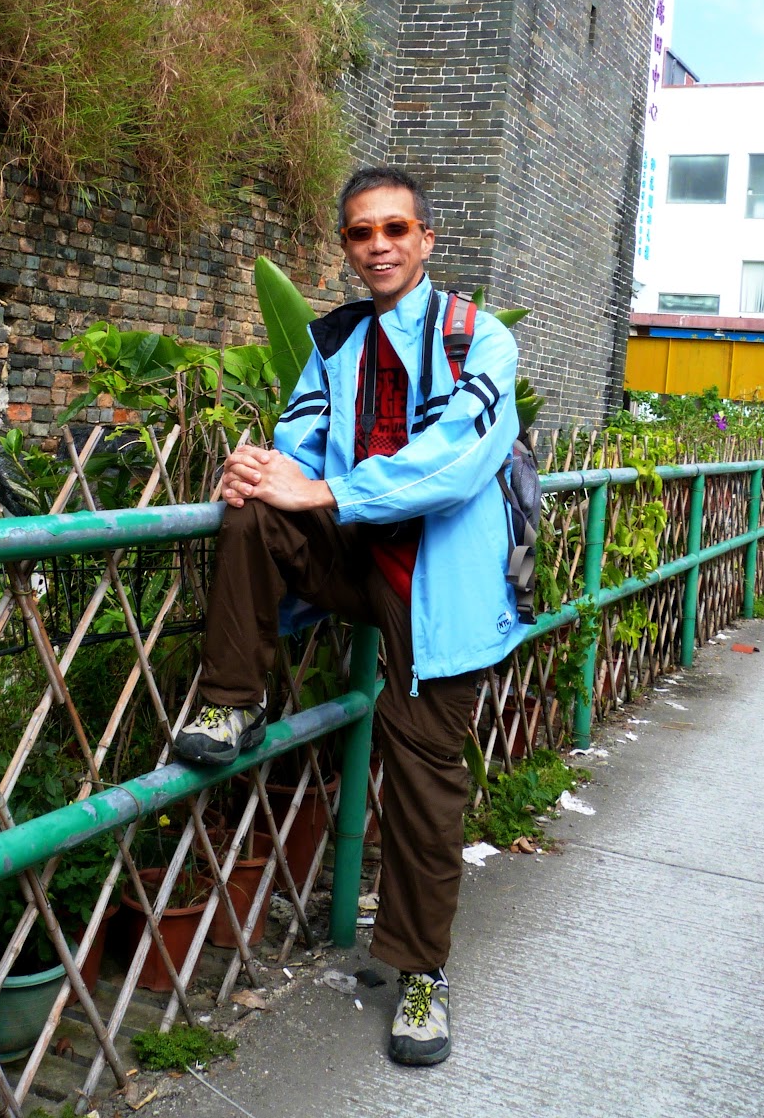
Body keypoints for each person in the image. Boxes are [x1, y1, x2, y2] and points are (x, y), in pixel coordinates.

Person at [174, 164, 527, 1066]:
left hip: (438, 591)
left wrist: (324, 488)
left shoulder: (477, 339)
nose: (378, 246)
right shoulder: (333, 344)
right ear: (346, 245)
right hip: (350, 561)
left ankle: (421, 975)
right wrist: (262, 471)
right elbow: (296, 445)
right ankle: (232, 701)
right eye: (361, 232)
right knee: (250, 510)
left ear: (425, 239)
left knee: (424, 794)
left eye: (395, 229)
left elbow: (456, 462)